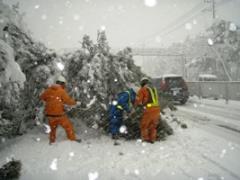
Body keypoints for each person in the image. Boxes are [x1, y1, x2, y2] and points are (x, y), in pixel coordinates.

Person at [40, 75, 81, 144]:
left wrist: (51, 101)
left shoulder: (48, 90)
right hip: (59, 115)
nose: (64, 86)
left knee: (53, 129)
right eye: (64, 84)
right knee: (68, 126)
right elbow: (68, 101)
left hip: (50, 115)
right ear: (61, 83)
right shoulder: (61, 91)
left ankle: (52, 141)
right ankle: (72, 139)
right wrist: (76, 103)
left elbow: (42, 97)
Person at [135, 77, 160, 144]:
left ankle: (145, 138)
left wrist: (136, 105)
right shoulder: (153, 89)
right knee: (153, 125)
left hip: (149, 109)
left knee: (144, 125)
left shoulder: (142, 90)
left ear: (142, 83)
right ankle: (152, 139)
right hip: (157, 109)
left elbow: (138, 101)